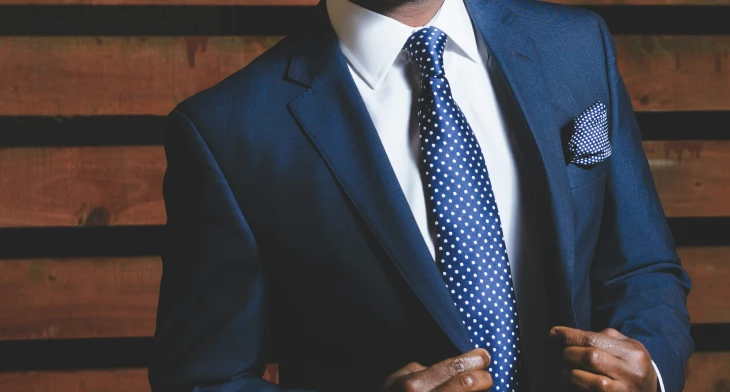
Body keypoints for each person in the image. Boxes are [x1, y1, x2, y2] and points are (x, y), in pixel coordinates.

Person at [148, 0, 692, 390]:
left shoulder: (575, 46)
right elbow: (203, 378)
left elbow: (642, 269)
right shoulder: (228, 130)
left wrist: (654, 373)